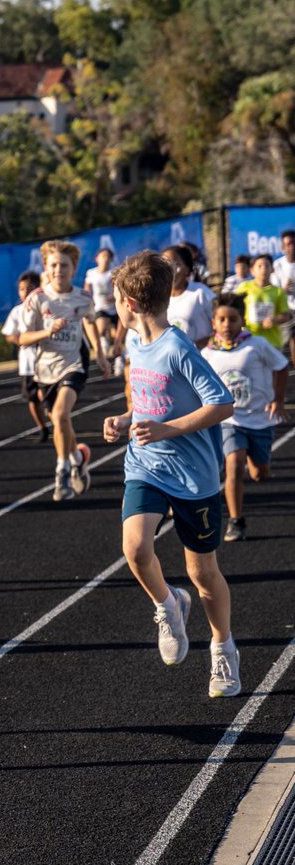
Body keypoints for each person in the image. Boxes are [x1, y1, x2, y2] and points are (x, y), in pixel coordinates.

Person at [103, 251, 240, 697]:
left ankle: (222, 647)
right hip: (145, 464)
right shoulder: (134, 343)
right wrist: (126, 419)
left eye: (115, 300)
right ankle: (168, 604)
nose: (114, 307)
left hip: (193, 477)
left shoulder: (178, 348)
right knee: (135, 547)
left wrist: (167, 429)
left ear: (130, 304)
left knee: (202, 573)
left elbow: (222, 403)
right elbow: (148, 401)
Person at [9, 240, 110, 501]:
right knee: (59, 421)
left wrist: (99, 353)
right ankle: (77, 457)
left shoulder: (83, 297)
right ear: (45, 267)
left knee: (61, 413)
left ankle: (62, 473)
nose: (58, 270)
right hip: (44, 369)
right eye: (53, 265)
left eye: (63, 265)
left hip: (74, 364)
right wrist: (47, 331)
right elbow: (22, 338)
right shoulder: (37, 298)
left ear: (73, 268)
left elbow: (89, 322)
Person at [201, 292, 289, 542]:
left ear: (243, 320)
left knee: (259, 473)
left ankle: (257, 463)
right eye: (221, 320)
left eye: (233, 319)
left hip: (259, 419)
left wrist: (278, 399)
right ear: (213, 323)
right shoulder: (208, 353)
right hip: (229, 420)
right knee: (234, 465)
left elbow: (282, 366)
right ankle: (235, 520)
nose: (227, 325)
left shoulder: (256, 345)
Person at [2, 270, 49, 442]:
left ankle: (52, 413)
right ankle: (42, 427)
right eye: (22, 289)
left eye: (30, 288)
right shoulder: (17, 311)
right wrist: (20, 340)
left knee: (45, 394)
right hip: (28, 363)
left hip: (47, 360)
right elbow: (9, 333)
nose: (26, 293)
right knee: (32, 398)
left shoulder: (46, 308)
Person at [162, 245, 214, 348]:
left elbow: (222, 325)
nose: (171, 270)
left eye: (176, 264)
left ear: (187, 269)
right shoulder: (157, 299)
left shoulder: (200, 292)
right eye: (165, 264)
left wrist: (193, 348)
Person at [237, 253, 292, 351]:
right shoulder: (244, 287)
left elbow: (285, 315)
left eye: (267, 266)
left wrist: (274, 319)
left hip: (272, 342)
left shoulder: (278, 292)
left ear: (272, 269)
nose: (264, 269)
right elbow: (234, 307)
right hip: (248, 341)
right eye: (260, 266)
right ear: (252, 271)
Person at [84, 247, 119, 376]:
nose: (105, 259)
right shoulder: (91, 273)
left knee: (116, 337)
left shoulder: (113, 273)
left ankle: (118, 360)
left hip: (114, 308)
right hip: (100, 307)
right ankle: (103, 344)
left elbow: (119, 289)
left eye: (108, 257)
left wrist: (114, 296)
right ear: (96, 259)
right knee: (101, 328)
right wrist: (87, 299)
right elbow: (87, 289)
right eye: (103, 256)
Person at [270, 230, 295, 365]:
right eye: (289, 244)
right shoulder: (278, 265)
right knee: (285, 342)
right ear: (283, 247)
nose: (292, 247)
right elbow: (275, 291)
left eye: (294, 243)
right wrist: (284, 289)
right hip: (286, 310)